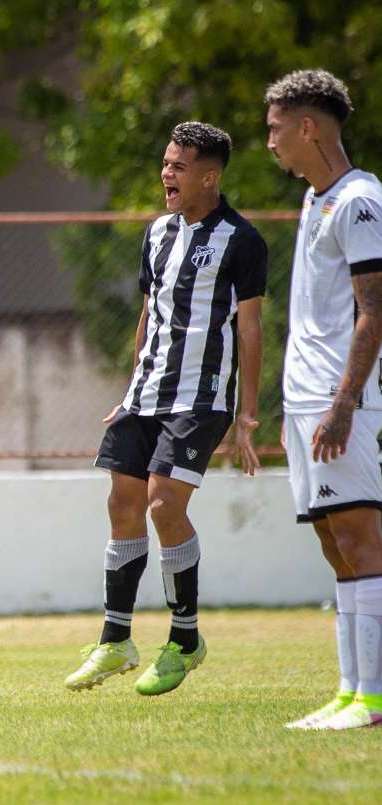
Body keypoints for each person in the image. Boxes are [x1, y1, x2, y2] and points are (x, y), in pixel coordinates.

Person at [65, 122, 267, 696]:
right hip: (146, 393)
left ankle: (184, 641)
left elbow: (250, 329)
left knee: (161, 502)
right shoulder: (155, 234)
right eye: (165, 162)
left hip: (200, 398)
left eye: (179, 166)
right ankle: (115, 640)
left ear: (210, 175)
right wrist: (132, 387)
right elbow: (148, 314)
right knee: (122, 502)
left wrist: (246, 415)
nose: (166, 175)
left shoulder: (243, 240)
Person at [266, 70, 382, 731]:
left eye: (276, 129)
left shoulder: (361, 200)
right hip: (305, 401)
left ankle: (370, 698)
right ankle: (348, 690)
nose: (270, 144)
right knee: (331, 543)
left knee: (360, 538)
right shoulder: (317, 200)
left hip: (345, 403)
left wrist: (344, 401)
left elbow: (373, 311)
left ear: (308, 126)